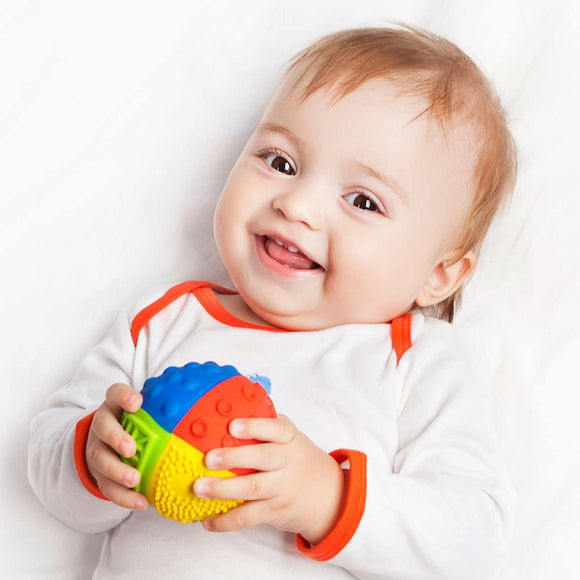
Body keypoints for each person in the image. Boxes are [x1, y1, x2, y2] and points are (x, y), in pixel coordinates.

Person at [28, 25, 517, 579]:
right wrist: (95, 455)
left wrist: (329, 499)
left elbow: (473, 541)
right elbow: (48, 474)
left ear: (440, 274)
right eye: (280, 162)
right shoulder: (166, 320)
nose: (298, 204)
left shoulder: (413, 361)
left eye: (363, 200)